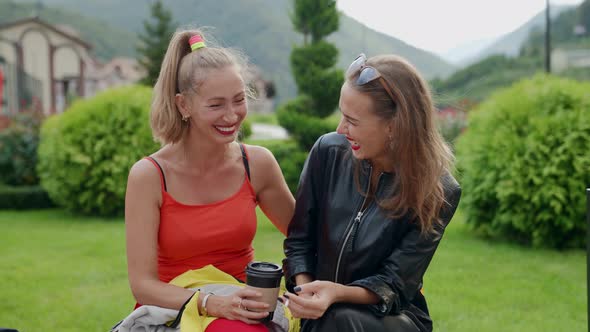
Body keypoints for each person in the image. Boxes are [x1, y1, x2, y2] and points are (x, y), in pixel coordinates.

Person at [124, 29, 294, 331]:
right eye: (216, 105)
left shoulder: (257, 164)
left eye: (239, 100)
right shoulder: (149, 176)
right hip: (174, 307)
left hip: (242, 301)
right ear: (183, 106)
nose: (231, 116)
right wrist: (210, 302)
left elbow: (304, 237)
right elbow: (143, 285)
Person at [282, 53, 462, 332]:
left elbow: (394, 284)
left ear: (394, 126)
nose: (341, 129)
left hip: (393, 318)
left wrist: (336, 294)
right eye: (342, 115)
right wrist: (309, 294)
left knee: (338, 317)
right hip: (324, 316)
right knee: (329, 319)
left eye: (352, 120)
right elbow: (299, 242)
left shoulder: (438, 191)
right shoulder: (327, 152)